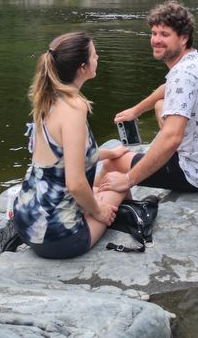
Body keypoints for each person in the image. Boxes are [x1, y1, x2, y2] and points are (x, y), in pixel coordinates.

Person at [100, 1, 198, 194]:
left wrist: (128, 179)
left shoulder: (183, 74)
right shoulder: (194, 59)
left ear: (183, 38)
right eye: (154, 33)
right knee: (160, 105)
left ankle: (86, 208)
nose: (156, 40)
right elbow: (167, 88)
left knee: (111, 164)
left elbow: (172, 138)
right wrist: (136, 111)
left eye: (164, 35)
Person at [13, 31, 131, 258]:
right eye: (94, 55)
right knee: (119, 184)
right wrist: (99, 212)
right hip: (59, 237)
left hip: (27, 221)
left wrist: (109, 153)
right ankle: (134, 218)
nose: (98, 58)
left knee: (99, 188)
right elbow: (75, 184)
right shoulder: (75, 106)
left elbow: (67, 156)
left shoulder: (47, 97)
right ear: (83, 67)